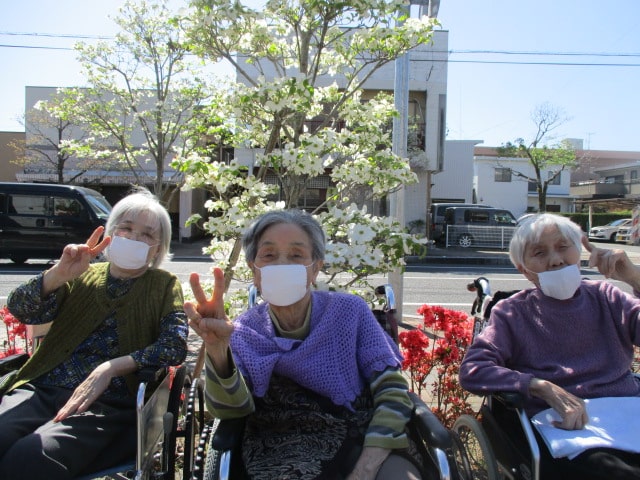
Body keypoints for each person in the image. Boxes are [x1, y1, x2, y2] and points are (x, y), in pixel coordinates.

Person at [187, 209, 423, 480]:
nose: (282, 265)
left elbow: (392, 389)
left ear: (316, 268)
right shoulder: (243, 331)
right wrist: (217, 349)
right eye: (269, 255)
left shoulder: (350, 312)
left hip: (364, 440)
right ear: (254, 270)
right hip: (276, 450)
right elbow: (230, 410)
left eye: (297, 255)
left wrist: (366, 468)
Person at [0, 187, 188, 479]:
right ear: (109, 234)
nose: (134, 238)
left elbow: (173, 346)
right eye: (126, 228)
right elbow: (21, 309)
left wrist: (111, 368)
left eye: (147, 234)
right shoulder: (81, 274)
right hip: (44, 388)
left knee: (31, 456)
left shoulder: (164, 285)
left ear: (158, 246)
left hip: (107, 406)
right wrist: (57, 275)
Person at [459, 213, 640, 479]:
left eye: (563, 247)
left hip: (624, 414)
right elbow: (473, 369)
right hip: (566, 427)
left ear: (578, 252)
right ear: (524, 269)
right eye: (540, 253)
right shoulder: (512, 313)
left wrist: (634, 278)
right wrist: (537, 386)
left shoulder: (606, 297)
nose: (555, 259)